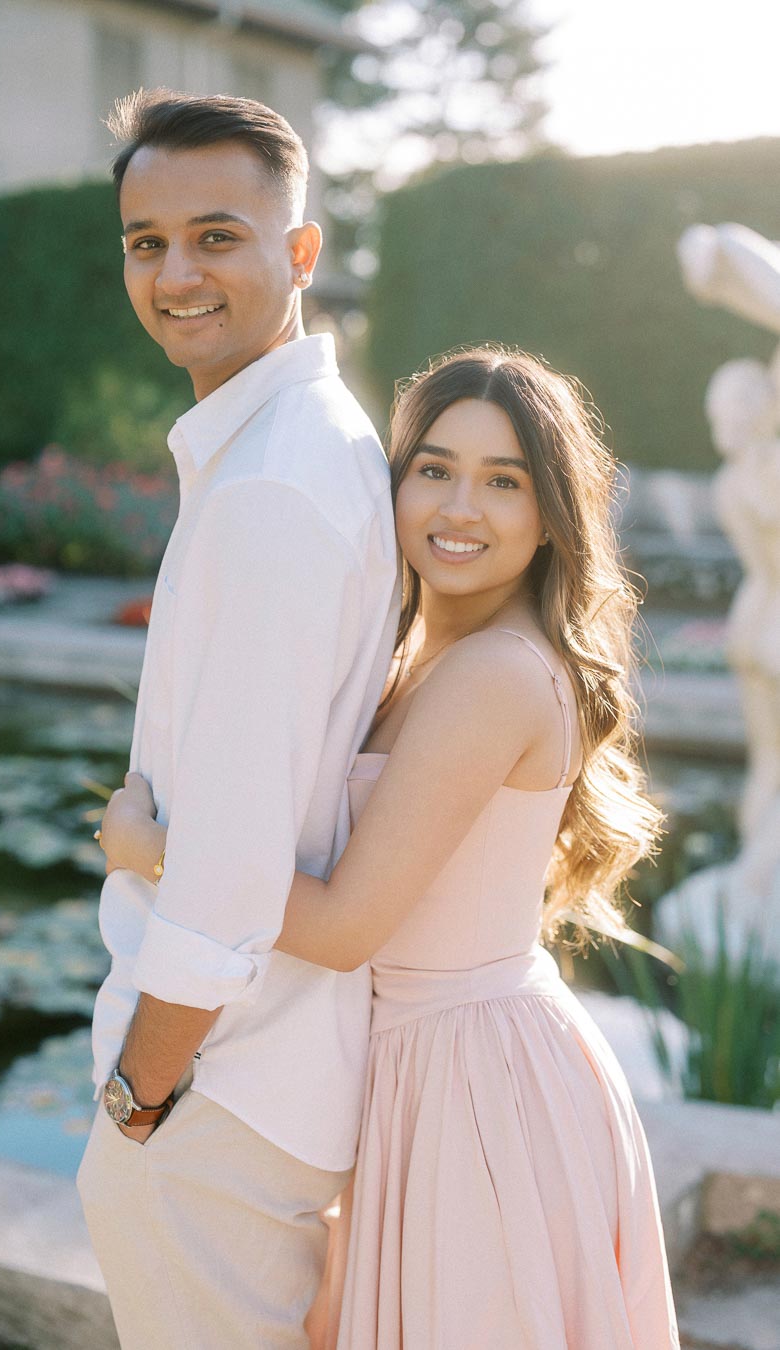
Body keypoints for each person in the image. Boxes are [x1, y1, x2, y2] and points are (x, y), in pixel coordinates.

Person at [103, 346, 681, 1348]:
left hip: (474, 1081)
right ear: (396, 482)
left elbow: (340, 926)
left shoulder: (492, 675)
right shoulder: (420, 654)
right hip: (419, 1064)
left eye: (505, 482)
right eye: (436, 469)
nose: (462, 508)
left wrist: (158, 850)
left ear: (552, 515)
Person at [77, 90, 399, 1350]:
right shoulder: (286, 445)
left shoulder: (274, 486)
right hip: (250, 1085)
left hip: (214, 1094)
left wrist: (143, 1093)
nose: (175, 273)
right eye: (144, 242)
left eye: (217, 235)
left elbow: (231, 863)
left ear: (302, 252)